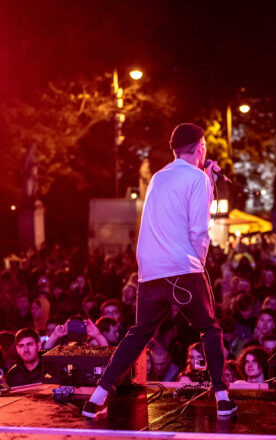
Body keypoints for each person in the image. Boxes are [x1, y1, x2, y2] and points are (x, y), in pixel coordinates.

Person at [83, 123, 236, 418]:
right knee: (209, 328)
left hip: (149, 272)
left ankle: (97, 397)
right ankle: (222, 395)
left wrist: (208, 179)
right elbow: (198, 230)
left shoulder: (158, 177)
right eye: (204, 146)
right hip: (182, 268)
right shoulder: (197, 178)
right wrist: (199, 265)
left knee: (139, 333)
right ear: (200, 147)